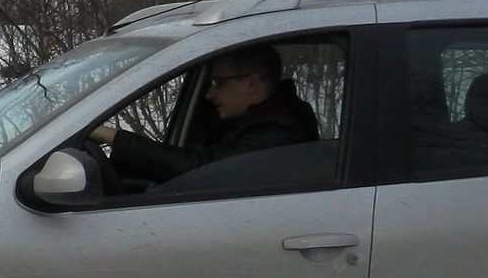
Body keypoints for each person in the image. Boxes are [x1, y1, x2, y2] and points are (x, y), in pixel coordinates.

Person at [91, 44, 318, 184]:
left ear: (251, 84)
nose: (209, 94)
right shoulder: (254, 118)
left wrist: (113, 137)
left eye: (218, 83)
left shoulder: (280, 131)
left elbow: (201, 169)